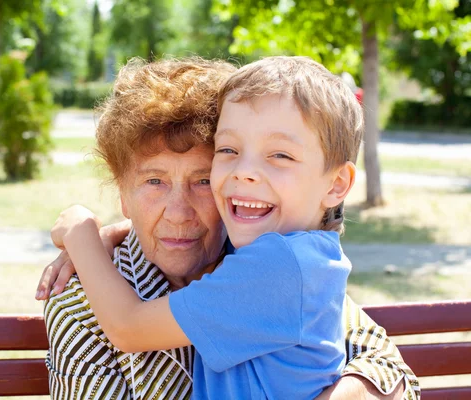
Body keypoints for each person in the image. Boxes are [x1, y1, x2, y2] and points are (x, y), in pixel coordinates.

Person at [37, 57, 420, 399]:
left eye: (202, 181)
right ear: (124, 194)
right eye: (154, 182)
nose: (178, 213)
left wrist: (81, 230)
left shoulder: (268, 263)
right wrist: (115, 233)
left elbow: (384, 361)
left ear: (335, 184)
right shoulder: (81, 306)